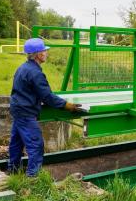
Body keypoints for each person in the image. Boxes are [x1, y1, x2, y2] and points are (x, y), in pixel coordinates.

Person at [8, 38, 84, 176]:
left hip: (17, 110)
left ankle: (13, 171)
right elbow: (47, 97)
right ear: (38, 54)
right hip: (26, 113)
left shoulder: (23, 68)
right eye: (44, 50)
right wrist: (67, 106)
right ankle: (33, 178)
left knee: (16, 143)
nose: (46, 53)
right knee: (36, 145)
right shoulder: (35, 73)